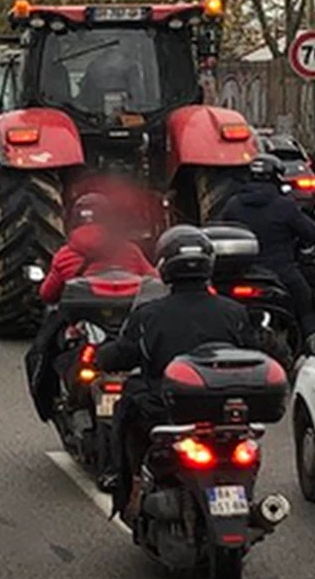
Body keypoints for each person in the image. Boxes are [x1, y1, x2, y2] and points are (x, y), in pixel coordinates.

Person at [95, 225, 256, 523]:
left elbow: (121, 354)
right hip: (222, 410)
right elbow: (257, 350)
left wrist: (103, 357)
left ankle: (129, 486)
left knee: (125, 411)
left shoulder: (149, 315)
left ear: (165, 267)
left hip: (166, 412)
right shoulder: (233, 311)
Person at [25, 193, 157, 422]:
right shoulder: (129, 250)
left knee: (41, 354)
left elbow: (47, 294)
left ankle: (49, 404)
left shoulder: (66, 255)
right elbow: (154, 281)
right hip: (127, 329)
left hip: (89, 332)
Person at [216, 154, 315, 339]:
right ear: (276, 177)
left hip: (241, 275)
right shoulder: (285, 206)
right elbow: (314, 235)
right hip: (282, 273)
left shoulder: (233, 205)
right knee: (307, 308)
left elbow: (220, 230)